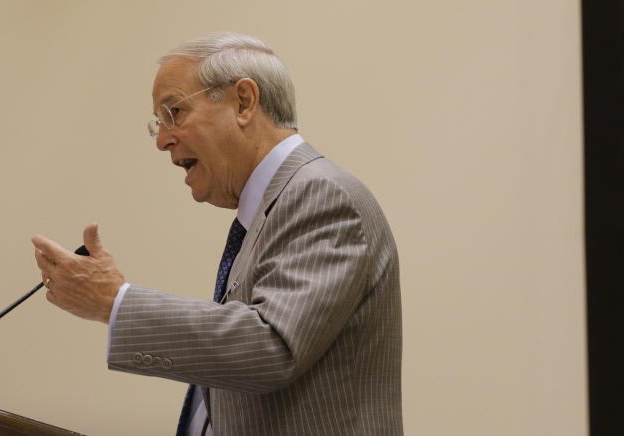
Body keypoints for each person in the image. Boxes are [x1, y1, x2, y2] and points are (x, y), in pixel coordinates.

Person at [32, 33, 402, 435]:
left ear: (244, 102)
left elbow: (272, 347)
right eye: (158, 122)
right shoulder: (266, 211)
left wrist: (115, 303)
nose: (161, 140)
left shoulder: (321, 194)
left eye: (174, 112)